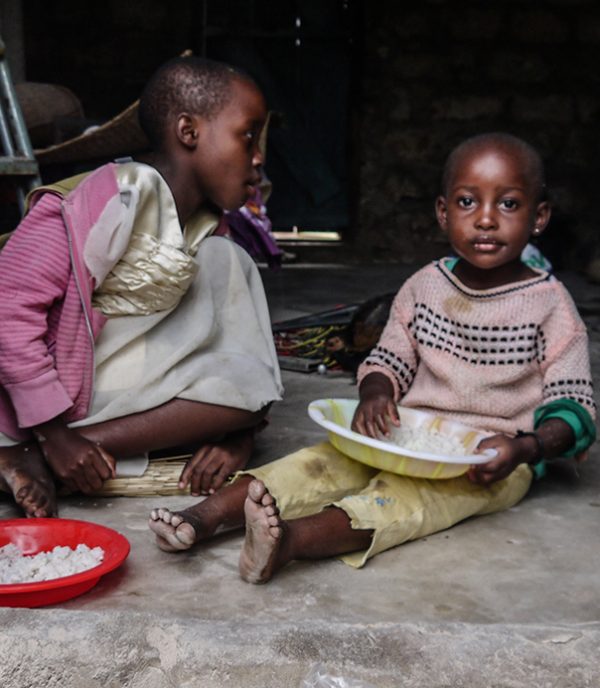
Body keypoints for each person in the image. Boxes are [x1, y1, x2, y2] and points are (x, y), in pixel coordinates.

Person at [148, 132, 596, 583]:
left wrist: (526, 448)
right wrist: (377, 393)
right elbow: (387, 359)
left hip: (490, 459)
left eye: (508, 205)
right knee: (317, 463)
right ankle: (201, 518)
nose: (484, 220)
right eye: (466, 202)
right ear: (442, 212)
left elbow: (574, 409)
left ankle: (288, 542)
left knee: (402, 505)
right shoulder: (425, 287)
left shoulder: (550, 305)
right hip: (407, 434)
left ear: (539, 217)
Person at [0, 56, 283, 517]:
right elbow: (6, 308)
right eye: (247, 134)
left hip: (94, 399)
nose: (258, 158)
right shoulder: (103, 199)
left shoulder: (209, 229)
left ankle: (51, 456)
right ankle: (41, 447)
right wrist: (54, 433)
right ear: (189, 132)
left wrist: (239, 438)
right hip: (45, 397)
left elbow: (247, 365)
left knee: (234, 298)